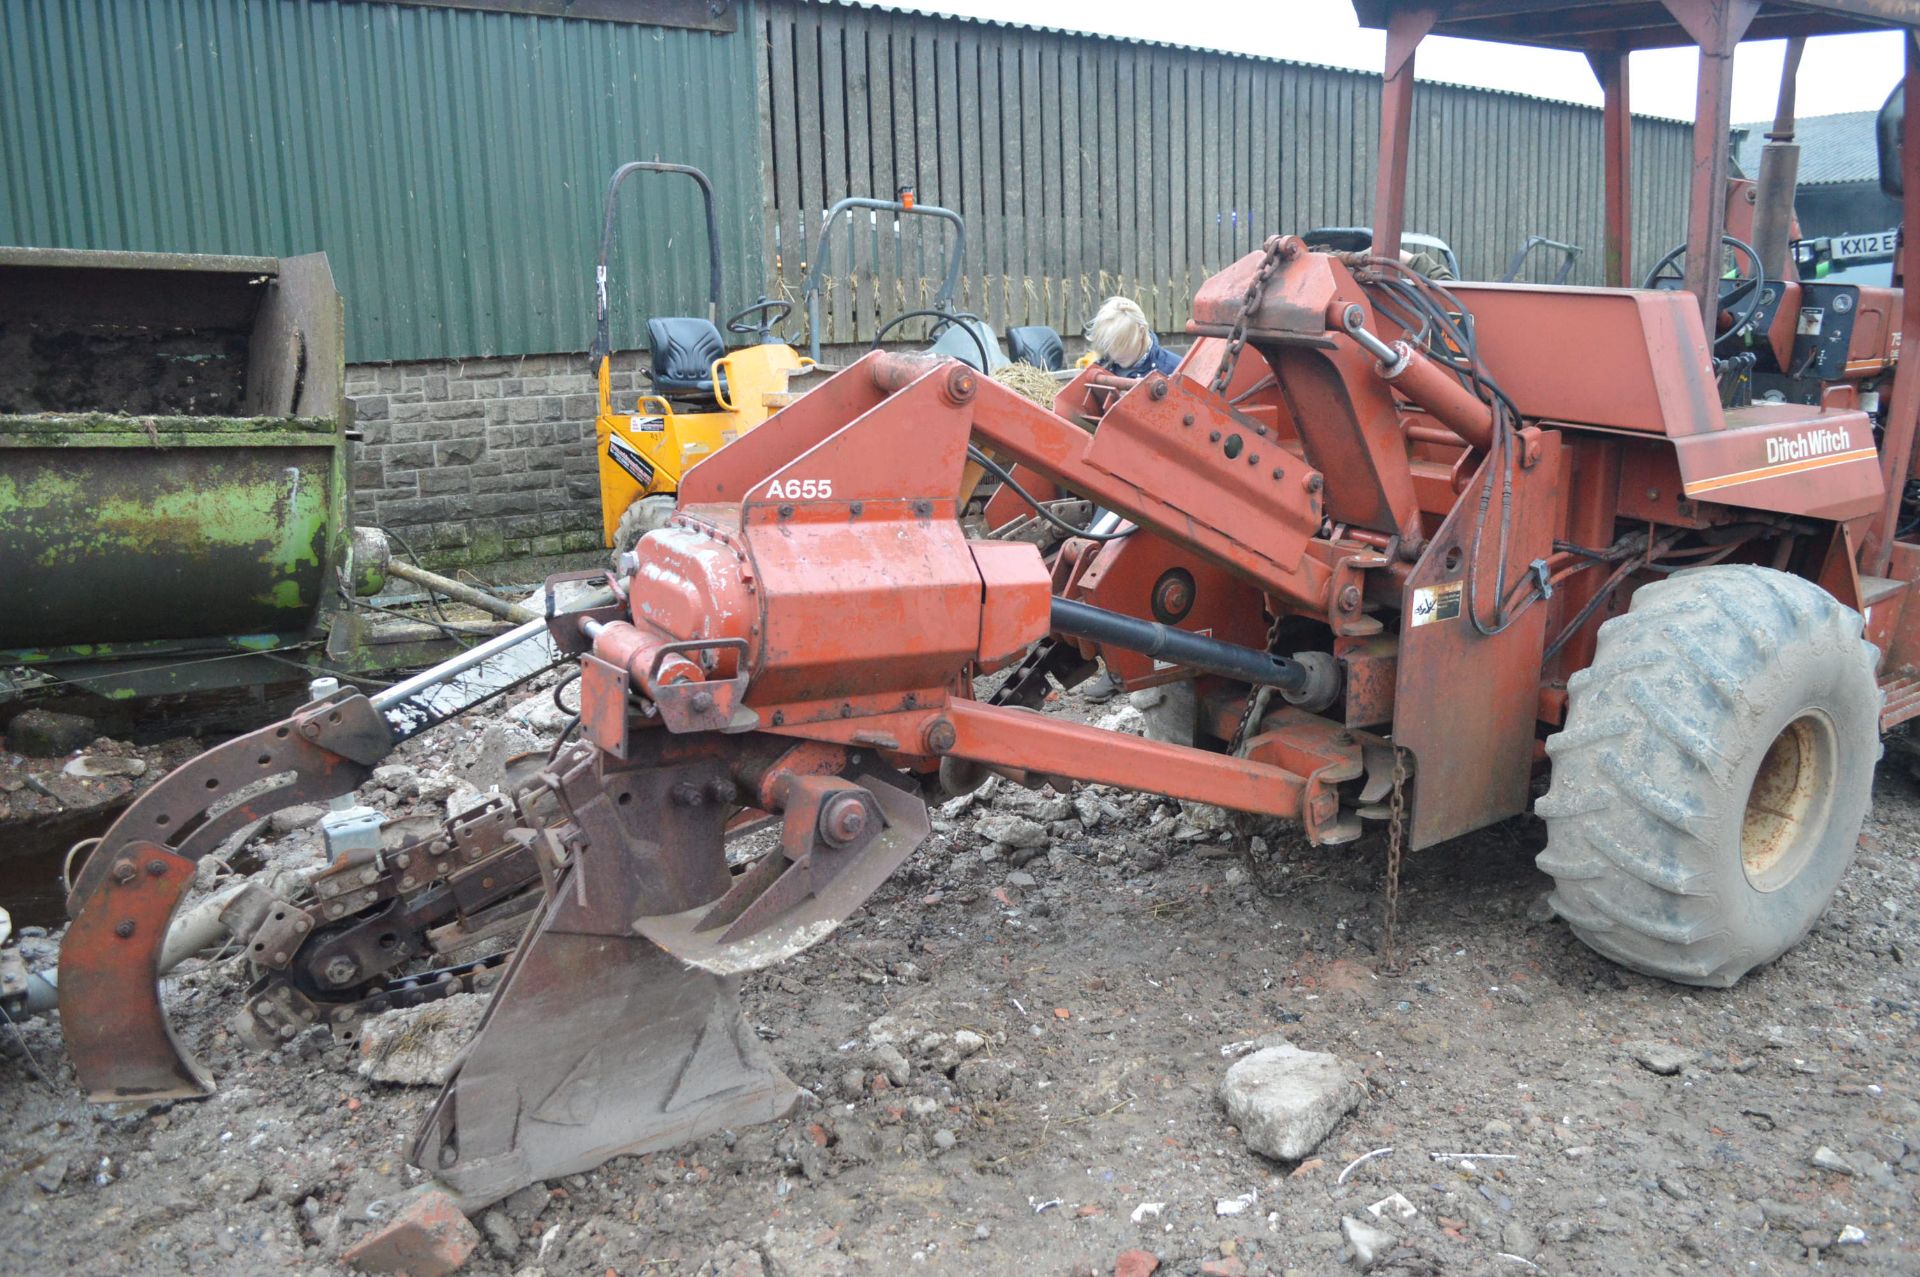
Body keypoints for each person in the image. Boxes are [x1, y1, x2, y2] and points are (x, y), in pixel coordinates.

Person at [1088, 296, 1182, 377]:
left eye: (1123, 344)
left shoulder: (1175, 371)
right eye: (1109, 346)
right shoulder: (1100, 365)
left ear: (1141, 331)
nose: (1115, 355)